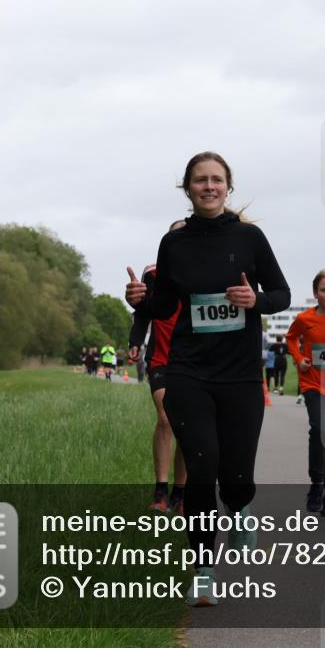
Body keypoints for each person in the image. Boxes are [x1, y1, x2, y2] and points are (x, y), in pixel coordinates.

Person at [125, 151, 290, 607]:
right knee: (201, 467)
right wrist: (139, 298)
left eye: (217, 180)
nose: (209, 186)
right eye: (201, 180)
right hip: (188, 370)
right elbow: (163, 305)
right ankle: (202, 568)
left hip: (239, 375)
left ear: (228, 186)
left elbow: (281, 294)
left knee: (236, 479)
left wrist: (253, 300)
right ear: (188, 187)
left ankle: (240, 508)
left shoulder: (250, 238)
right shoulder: (173, 243)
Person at [128, 220, 189, 514]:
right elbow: (142, 313)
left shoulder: (204, 271)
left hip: (193, 359)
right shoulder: (152, 272)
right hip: (161, 357)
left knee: (187, 426)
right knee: (166, 418)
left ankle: (180, 493)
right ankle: (160, 491)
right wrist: (135, 341)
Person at [286, 270, 325, 517]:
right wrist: (299, 357)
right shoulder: (305, 318)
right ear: (315, 293)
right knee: (320, 428)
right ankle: (316, 484)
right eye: (324, 290)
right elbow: (291, 338)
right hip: (313, 382)